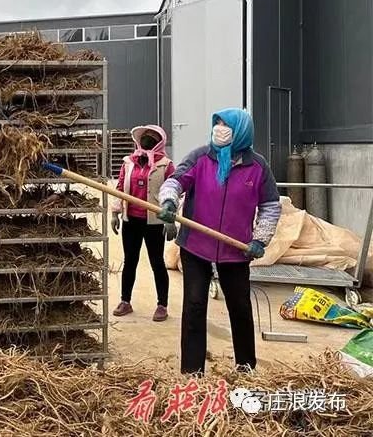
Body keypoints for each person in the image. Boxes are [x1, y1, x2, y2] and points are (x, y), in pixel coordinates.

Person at [157, 108, 281, 376]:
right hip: (196, 247)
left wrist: (260, 239)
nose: (219, 129)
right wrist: (168, 201)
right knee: (194, 304)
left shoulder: (257, 167)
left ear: (241, 131)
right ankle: (192, 371)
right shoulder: (201, 157)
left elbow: (271, 205)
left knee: (239, 306)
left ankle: (245, 367)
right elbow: (175, 181)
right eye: (218, 124)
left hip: (235, 250)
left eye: (226, 125)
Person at [110, 125, 176, 322]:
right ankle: (125, 301)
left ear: (160, 142)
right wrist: (115, 212)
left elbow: (174, 190)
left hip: (154, 222)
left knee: (157, 262)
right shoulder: (129, 162)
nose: (147, 139)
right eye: (145, 136)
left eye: (152, 137)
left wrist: (170, 218)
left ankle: (162, 305)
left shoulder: (166, 165)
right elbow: (120, 187)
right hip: (131, 220)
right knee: (130, 260)